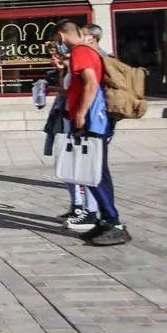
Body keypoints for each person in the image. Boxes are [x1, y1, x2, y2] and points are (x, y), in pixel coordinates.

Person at [54, 20, 131, 246]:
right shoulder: (83, 51)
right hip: (92, 120)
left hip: (92, 122)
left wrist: (80, 113)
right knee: (94, 173)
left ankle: (114, 223)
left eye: (55, 42)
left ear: (61, 36)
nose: (57, 46)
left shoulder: (80, 51)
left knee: (94, 173)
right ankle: (105, 221)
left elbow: (90, 83)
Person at [44, 32, 100, 232]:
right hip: (67, 118)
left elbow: (90, 85)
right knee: (68, 164)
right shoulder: (70, 64)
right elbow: (67, 90)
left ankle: (91, 211)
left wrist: (81, 114)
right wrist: (60, 71)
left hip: (80, 121)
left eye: (56, 50)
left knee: (85, 168)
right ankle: (78, 206)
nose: (55, 55)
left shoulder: (83, 58)